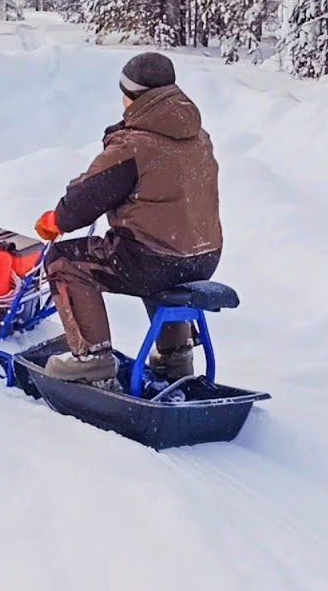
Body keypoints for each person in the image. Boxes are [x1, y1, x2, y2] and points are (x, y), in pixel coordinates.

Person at [34, 51, 222, 386]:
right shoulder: (197, 136)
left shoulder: (135, 144)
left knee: (64, 261)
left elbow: (83, 200)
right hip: (203, 257)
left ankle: (91, 358)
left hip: (153, 259)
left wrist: (57, 220)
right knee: (162, 264)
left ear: (133, 95)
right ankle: (176, 357)